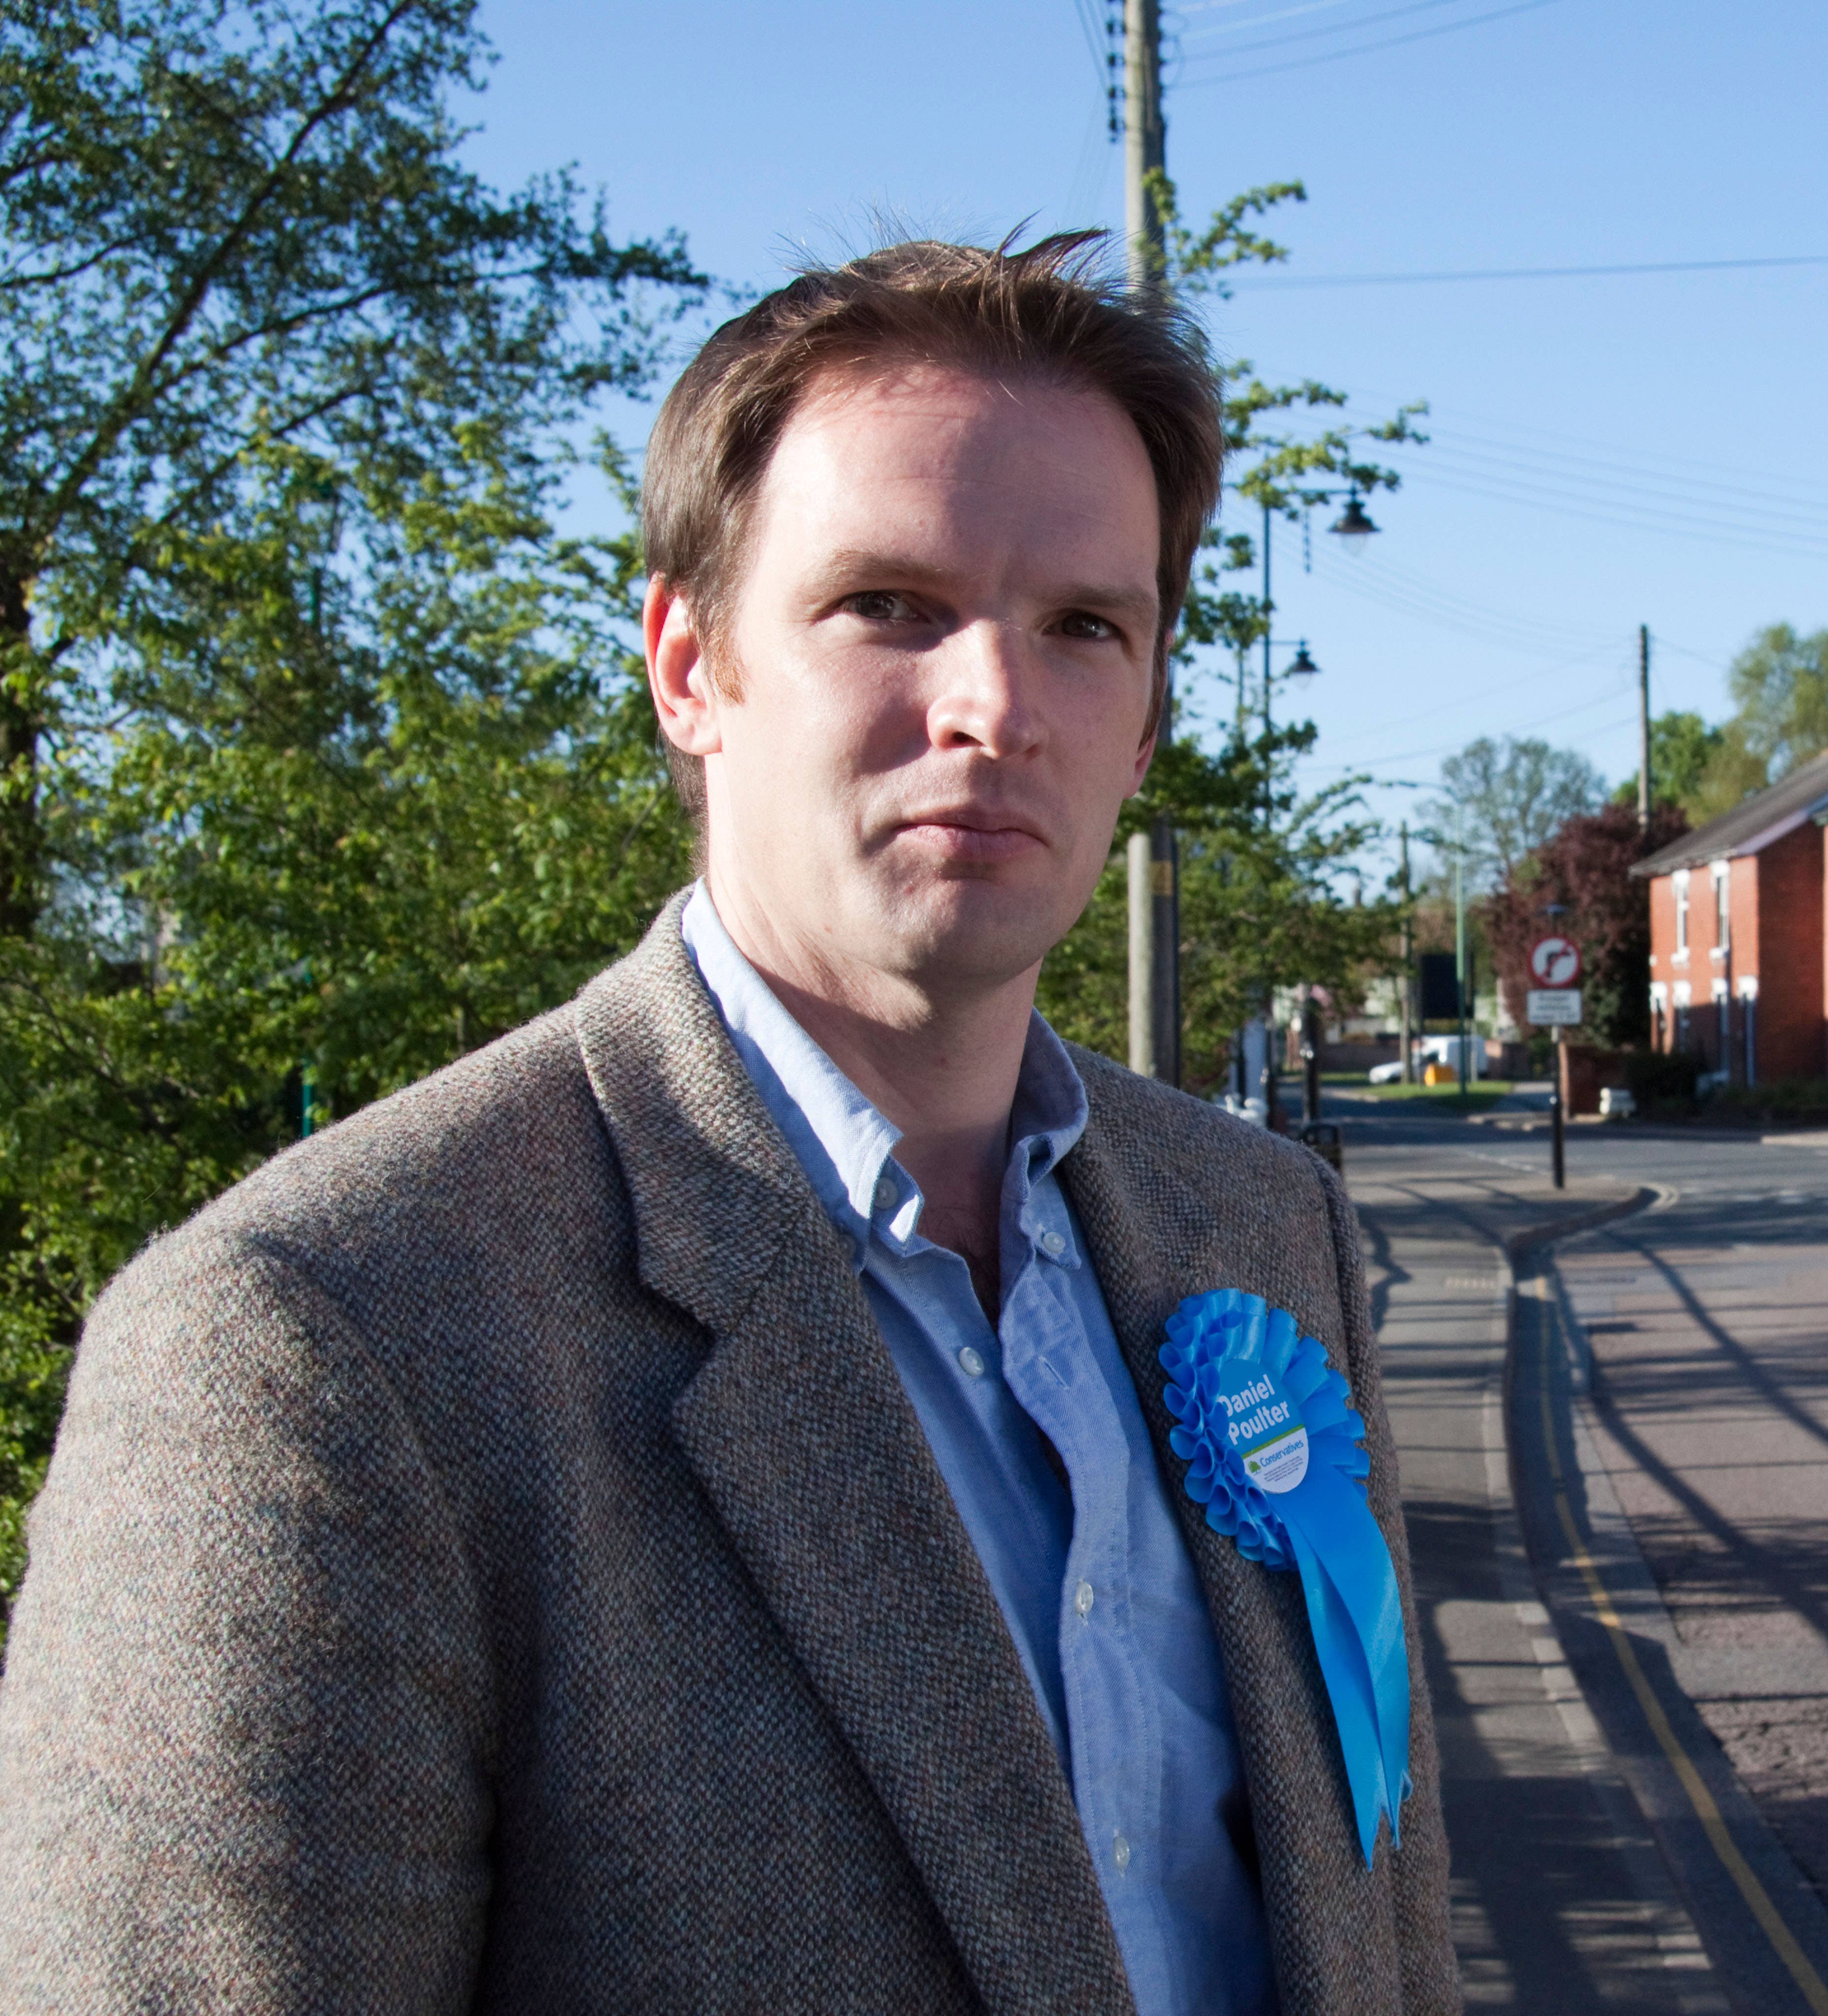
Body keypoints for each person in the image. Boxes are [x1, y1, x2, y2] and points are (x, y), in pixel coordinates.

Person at [0, 234, 1457, 2015]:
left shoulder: (1261, 1224)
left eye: (1086, 626)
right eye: (891, 606)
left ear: (1149, 713)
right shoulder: (318, 1343)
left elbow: (1379, 1926)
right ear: (689, 665)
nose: (997, 704)